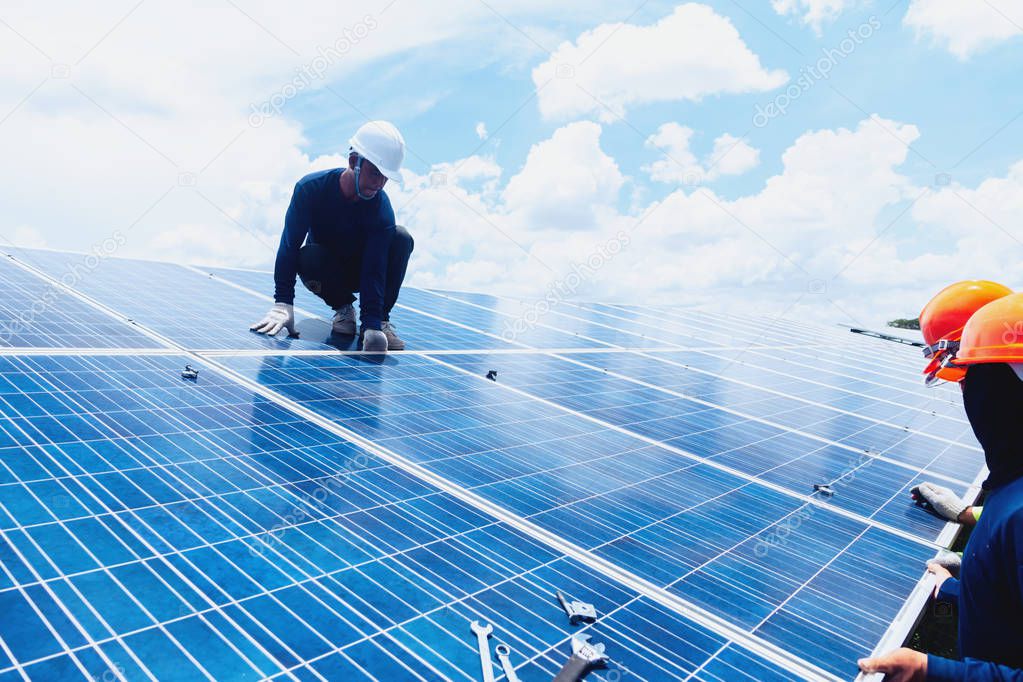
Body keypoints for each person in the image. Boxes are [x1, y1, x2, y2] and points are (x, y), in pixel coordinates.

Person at [859, 292, 1023, 681]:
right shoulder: (1010, 487)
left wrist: (930, 671)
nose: (964, 393)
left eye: (971, 378)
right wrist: (960, 588)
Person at [251, 121, 413, 352]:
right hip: (326, 271)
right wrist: (282, 302)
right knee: (307, 255)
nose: (379, 183)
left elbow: (374, 268)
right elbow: (288, 245)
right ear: (354, 162)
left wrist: (372, 324)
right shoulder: (311, 189)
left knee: (401, 238)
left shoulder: (381, 208)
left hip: (363, 271)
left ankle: (381, 321)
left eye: (385, 177)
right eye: (375, 172)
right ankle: (343, 308)